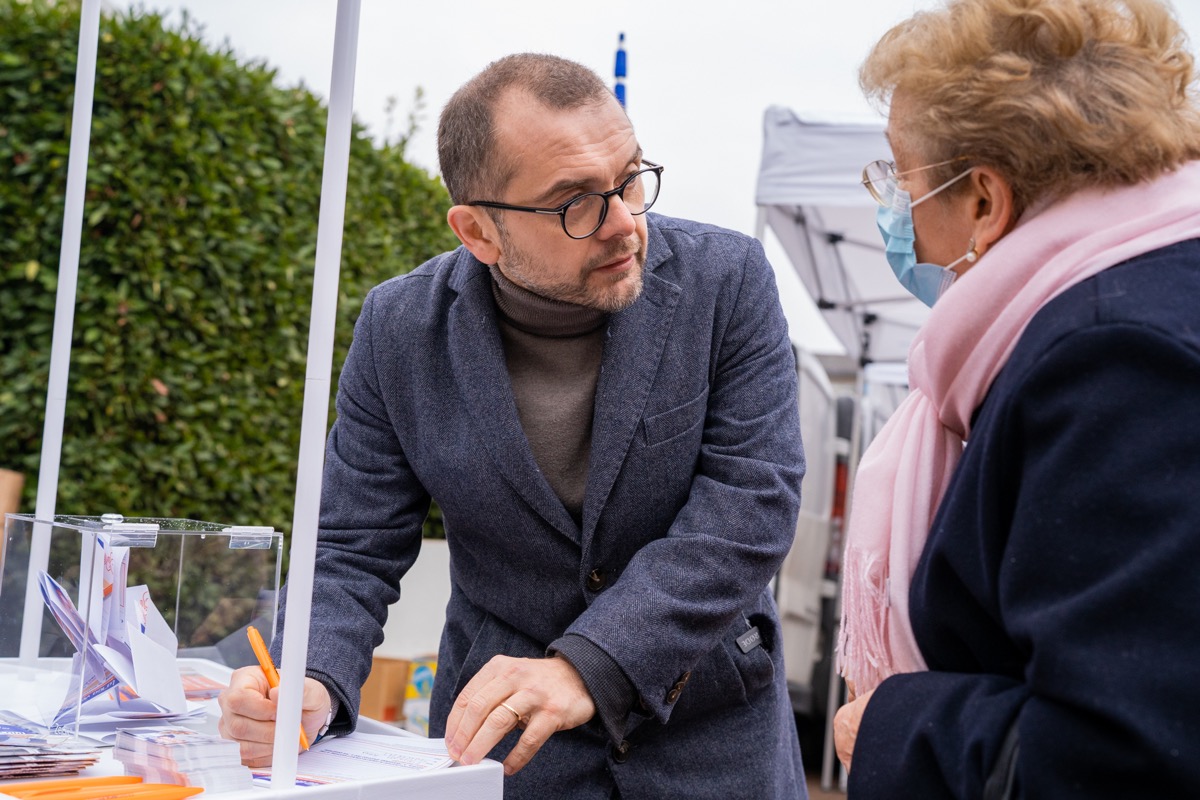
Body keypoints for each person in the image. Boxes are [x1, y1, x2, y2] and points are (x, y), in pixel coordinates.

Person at [217, 53, 809, 798]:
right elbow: (350, 545)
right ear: (478, 232)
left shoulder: (730, 282)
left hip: (712, 739)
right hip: (504, 755)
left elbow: (749, 510)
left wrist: (590, 663)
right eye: (575, 203)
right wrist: (312, 674)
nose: (625, 222)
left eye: (630, 177)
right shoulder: (399, 329)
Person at [830, 0, 1200, 796]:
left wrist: (895, 724)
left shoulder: (1114, 363)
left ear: (985, 203)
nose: (894, 210)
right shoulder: (1142, 303)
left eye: (901, 176)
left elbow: (1120, 760)